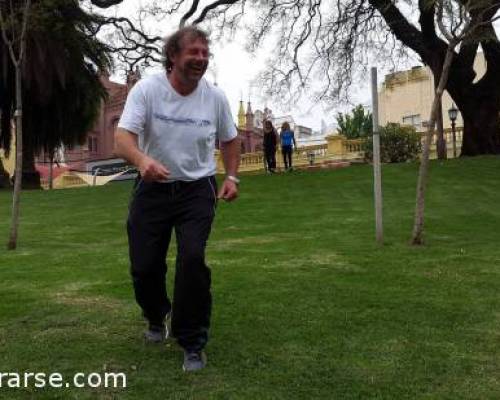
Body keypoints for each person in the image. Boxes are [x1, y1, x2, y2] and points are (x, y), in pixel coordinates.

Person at [114, 26, 240, 372]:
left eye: (205, 53)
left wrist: (230, 176)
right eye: (193, 52)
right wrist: (142, 161)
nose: (201, 59)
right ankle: (156, 316)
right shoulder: (148, 90)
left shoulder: (215, 97)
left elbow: (230, 139)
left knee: (192, 260)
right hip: (152, 189)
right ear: (173, 56)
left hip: (197, 190)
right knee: (144, 266)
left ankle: (193, 341)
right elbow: (122, 137)